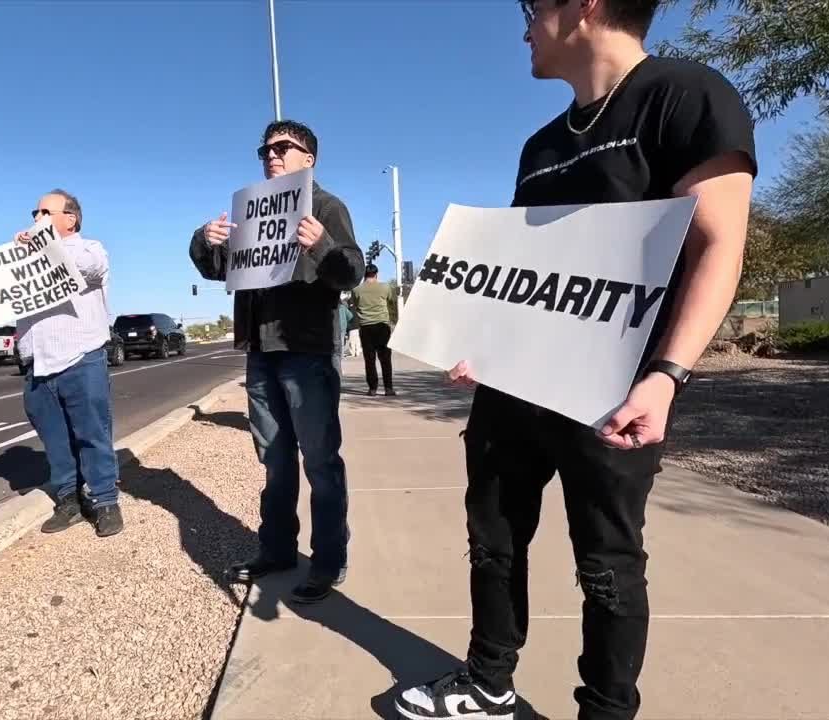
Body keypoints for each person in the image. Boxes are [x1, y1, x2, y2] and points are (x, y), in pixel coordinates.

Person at [396, 1, 756, 718]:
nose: (524, 27)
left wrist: (667, 375)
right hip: (512, 388)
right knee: (492, 540)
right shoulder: (541, 146)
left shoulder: (685, 95)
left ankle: (606, 709)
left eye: (532, 9)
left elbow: (719, 245)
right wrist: (475, 343)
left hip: (614, 391)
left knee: (607, 567)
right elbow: (521, 276)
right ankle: (489, 681)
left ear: (584, 7)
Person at [189, 119, 365, 604]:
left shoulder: (327, 207)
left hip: (307, 353)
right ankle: (277, 549)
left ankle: (328, 560)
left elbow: (352, 271)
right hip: (261, 354)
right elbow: (215, 269)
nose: (272, 155)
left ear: (309, 158)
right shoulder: (251, 213)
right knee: (274, 462)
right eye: (265, 149)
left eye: (283, 148)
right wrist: (207, 239)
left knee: (321, 462)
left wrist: (323, 245)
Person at [15, 189, 123, 538]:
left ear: (70, 218)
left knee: (92, 433)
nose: (37, 219)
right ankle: (68, 500)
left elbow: (91, 269)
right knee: (55, 440)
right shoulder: (24, 257)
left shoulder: (89, 249)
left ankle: (105, 501)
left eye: (45, 212)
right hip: (39, 364)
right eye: (35, 212)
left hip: (81, 357)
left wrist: (45, 245)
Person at [351, 263, 398, 397]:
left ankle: (372, 388)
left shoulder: (356, 290)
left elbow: (355, 304)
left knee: (369, 360)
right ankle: (388, 388)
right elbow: (391, 300)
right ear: (376, 274)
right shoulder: (385, 287)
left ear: (364, 275)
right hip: (382, 327)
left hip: (366, 327)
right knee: (385, 359)